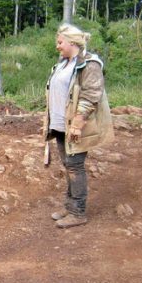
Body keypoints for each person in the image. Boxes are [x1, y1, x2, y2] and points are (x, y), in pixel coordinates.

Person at [43, 24, 114, 229]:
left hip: (75, 126)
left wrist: (79, 120)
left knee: (75, 167)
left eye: (60, 42)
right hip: (59, 125)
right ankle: (70, 206)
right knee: (68, 165)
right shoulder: (63, 64)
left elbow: (91, 94)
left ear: (72, 42)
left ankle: (78, 212)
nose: (57, 46)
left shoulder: (89, 64)